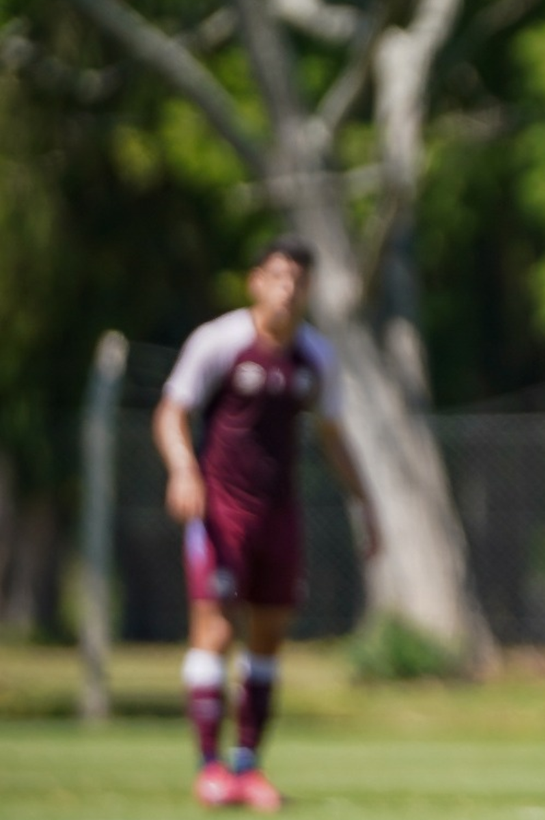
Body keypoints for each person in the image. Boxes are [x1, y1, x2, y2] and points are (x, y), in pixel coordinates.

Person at [153, 235, 380, 810]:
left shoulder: (316, 358)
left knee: (268, 639)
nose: (288, 290)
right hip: (220, 513)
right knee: (216, 631)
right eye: (278, 277)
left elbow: (332, 436)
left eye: (299, 280)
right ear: (256, 280)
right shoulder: (220, 342)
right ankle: (209, 767)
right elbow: (171, 410)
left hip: (279, 513)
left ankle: (248, 766)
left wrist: (365, 503)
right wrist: (184, 470)